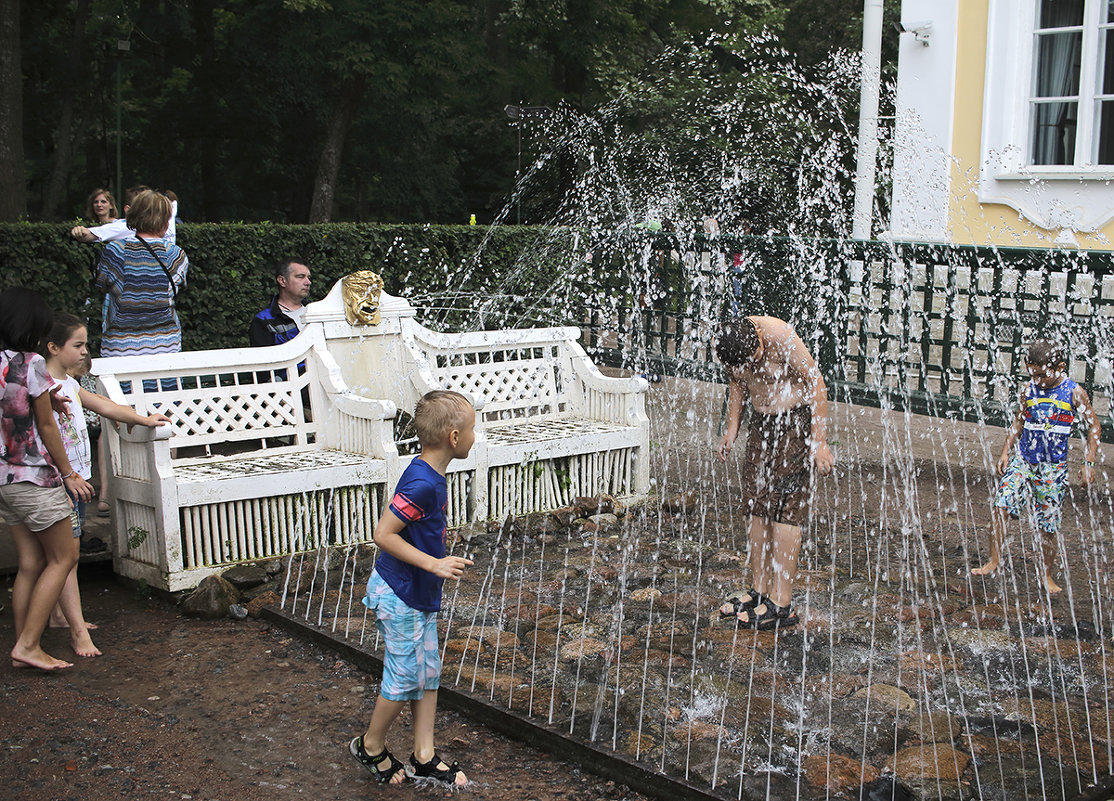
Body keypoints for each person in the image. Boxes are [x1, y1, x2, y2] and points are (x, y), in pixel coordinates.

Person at [349, 390, 474, 786]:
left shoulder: (431, 475)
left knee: (428, 671)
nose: (476, 436)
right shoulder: (423, 484)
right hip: (398, 592)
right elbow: (383, 534)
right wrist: (433, 563)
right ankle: (369, 744)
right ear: (453, 438)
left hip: (416, 592)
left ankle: (423, 754)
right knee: (404, 676)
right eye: (472, 429)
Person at [41, 313, 172, 655]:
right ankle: (76, 628)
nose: (85, 352)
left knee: (58, 556)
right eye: (78, 345)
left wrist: (143, 419)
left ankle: (58, 615)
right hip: (59, 481)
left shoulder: (70, 385)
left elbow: (106, 406)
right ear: (53, 348)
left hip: (75, 479)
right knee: (65, 557)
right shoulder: (42, 388)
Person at [715, 316, 834, 630]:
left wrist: (819, 442)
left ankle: (782, 603)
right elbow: (738, 384)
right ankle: (760, 590)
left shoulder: (780, 336)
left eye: (755, 357)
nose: (752, 365)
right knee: (755, 507)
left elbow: (816, 383)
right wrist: (732, 429)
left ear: (757, 336)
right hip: (761, 424)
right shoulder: (732, 346)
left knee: (784, 511)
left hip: (794, 423)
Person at [0, 289, 95, 671]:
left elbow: (14, 405)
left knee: (29, 562)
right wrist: (69, 472)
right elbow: (45, 425)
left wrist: (45, 399)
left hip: (5, 479)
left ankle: (25, 640)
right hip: (35, 477)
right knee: (64, 556)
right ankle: (28, 645)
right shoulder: (32, 363)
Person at [971, 339, 1100, 594]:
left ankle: (1046, 575)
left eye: (1042, 374)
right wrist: (1006, 450)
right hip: (1023, 460)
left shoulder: (1074, 392)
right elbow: (1020, 420)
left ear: (1060, 367)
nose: (1038, 380)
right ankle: (994, 561)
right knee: (1001, 504)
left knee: (1047, 525)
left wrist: (1088, 463)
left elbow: (1094, 425)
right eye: (1032, 374)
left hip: (1052, 467)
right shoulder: (1029, 389)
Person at [94, 189, 189, 358]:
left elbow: (102, 286)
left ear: (133, 214)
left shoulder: (115, 251)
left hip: (121, 347)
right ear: (165, 220)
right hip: (166, 347)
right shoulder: (176, 254)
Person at [70, 185, 179, 246]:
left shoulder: (177, 255)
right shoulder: (123, 227)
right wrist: (82, 232)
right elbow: (93, 234)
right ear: (129, 210)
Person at [249, 261, 312, 346]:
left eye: (308, 277)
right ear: (282, 281)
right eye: (300, 277)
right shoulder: (264, 320)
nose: (308, 282)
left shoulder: (316, 311)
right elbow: (265, 357)